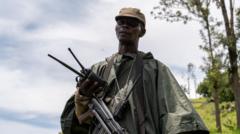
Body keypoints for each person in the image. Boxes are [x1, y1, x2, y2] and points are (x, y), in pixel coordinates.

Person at [61, 7, 209, 134]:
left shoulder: (155, 69)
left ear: (141, 31)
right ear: (115, 27)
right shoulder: (98, 69)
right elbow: (74, 124)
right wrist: (81, 98)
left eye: (132, 23)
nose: (125, 26)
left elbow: (179, 117)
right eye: (121, 22)